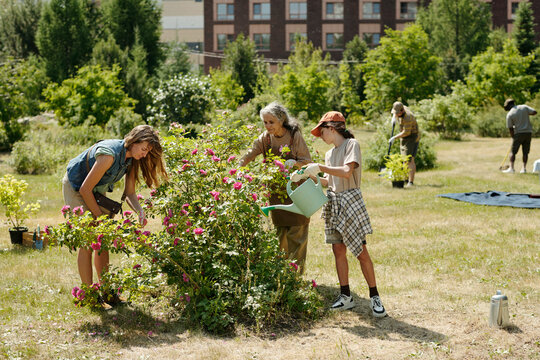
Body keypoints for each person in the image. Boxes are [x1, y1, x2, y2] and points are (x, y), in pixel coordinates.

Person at [291, 111, 386, 317]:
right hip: (334, 202)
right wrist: (309, 175)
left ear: (331, 129)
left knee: (360, 252)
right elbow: (329, 181)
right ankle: (346, 296)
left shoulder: (352, 145)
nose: (321, 137)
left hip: (350, 201)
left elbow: (346, 172)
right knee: (338, 251)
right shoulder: (329, 153)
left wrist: (319, 167)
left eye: (322, 132)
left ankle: (374, 296)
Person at [63, 125, 168, 295]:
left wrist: (140, 211)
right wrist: (99, 218)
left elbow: (129, 193)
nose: (145, 154)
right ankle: (89, 294)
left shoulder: (131, 160)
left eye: (148, 151)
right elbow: (84, 190)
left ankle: (106, 291)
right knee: (88, 239)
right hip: (76, 187)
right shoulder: (108, 155)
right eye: (144, 149)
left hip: (93, 188)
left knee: (102, 239)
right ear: (134, 140)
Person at [239, 102, 312, 273]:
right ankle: (283, 276)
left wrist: (295, 163)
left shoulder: (294, 136)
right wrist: (239, 169)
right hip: (276, 191)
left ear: (281, 120)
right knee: (281, 234)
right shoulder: (265, 138)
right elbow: (249, 154)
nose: (267, 126)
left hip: (297, 190)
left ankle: (296, 276)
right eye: (265, 122)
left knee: (297, 232)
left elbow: (307, 160)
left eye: (271, 122)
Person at [388, 101, 420, 187]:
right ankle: (405, 179)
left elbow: (406, 132)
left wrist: (394, 137)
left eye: (397, 113)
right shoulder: (401, 108)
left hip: (412, 137)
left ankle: (410, 182)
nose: (396, 114)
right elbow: (396, 112)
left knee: (409, 160)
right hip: (405, 137)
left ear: (402, 111)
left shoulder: (408, 117)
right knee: (404, 159)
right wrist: (394, 118)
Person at [502, 98, 537, 174]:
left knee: (513, 152)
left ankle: (511, 168)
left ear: (508, 106)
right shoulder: (524, 107)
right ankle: (523, 169)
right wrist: (525, 114)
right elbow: (534, 112)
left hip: (518, 133)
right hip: (528, 132)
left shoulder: (510, 114)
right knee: (525, 152)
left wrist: (513, 137)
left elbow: (511, 129)